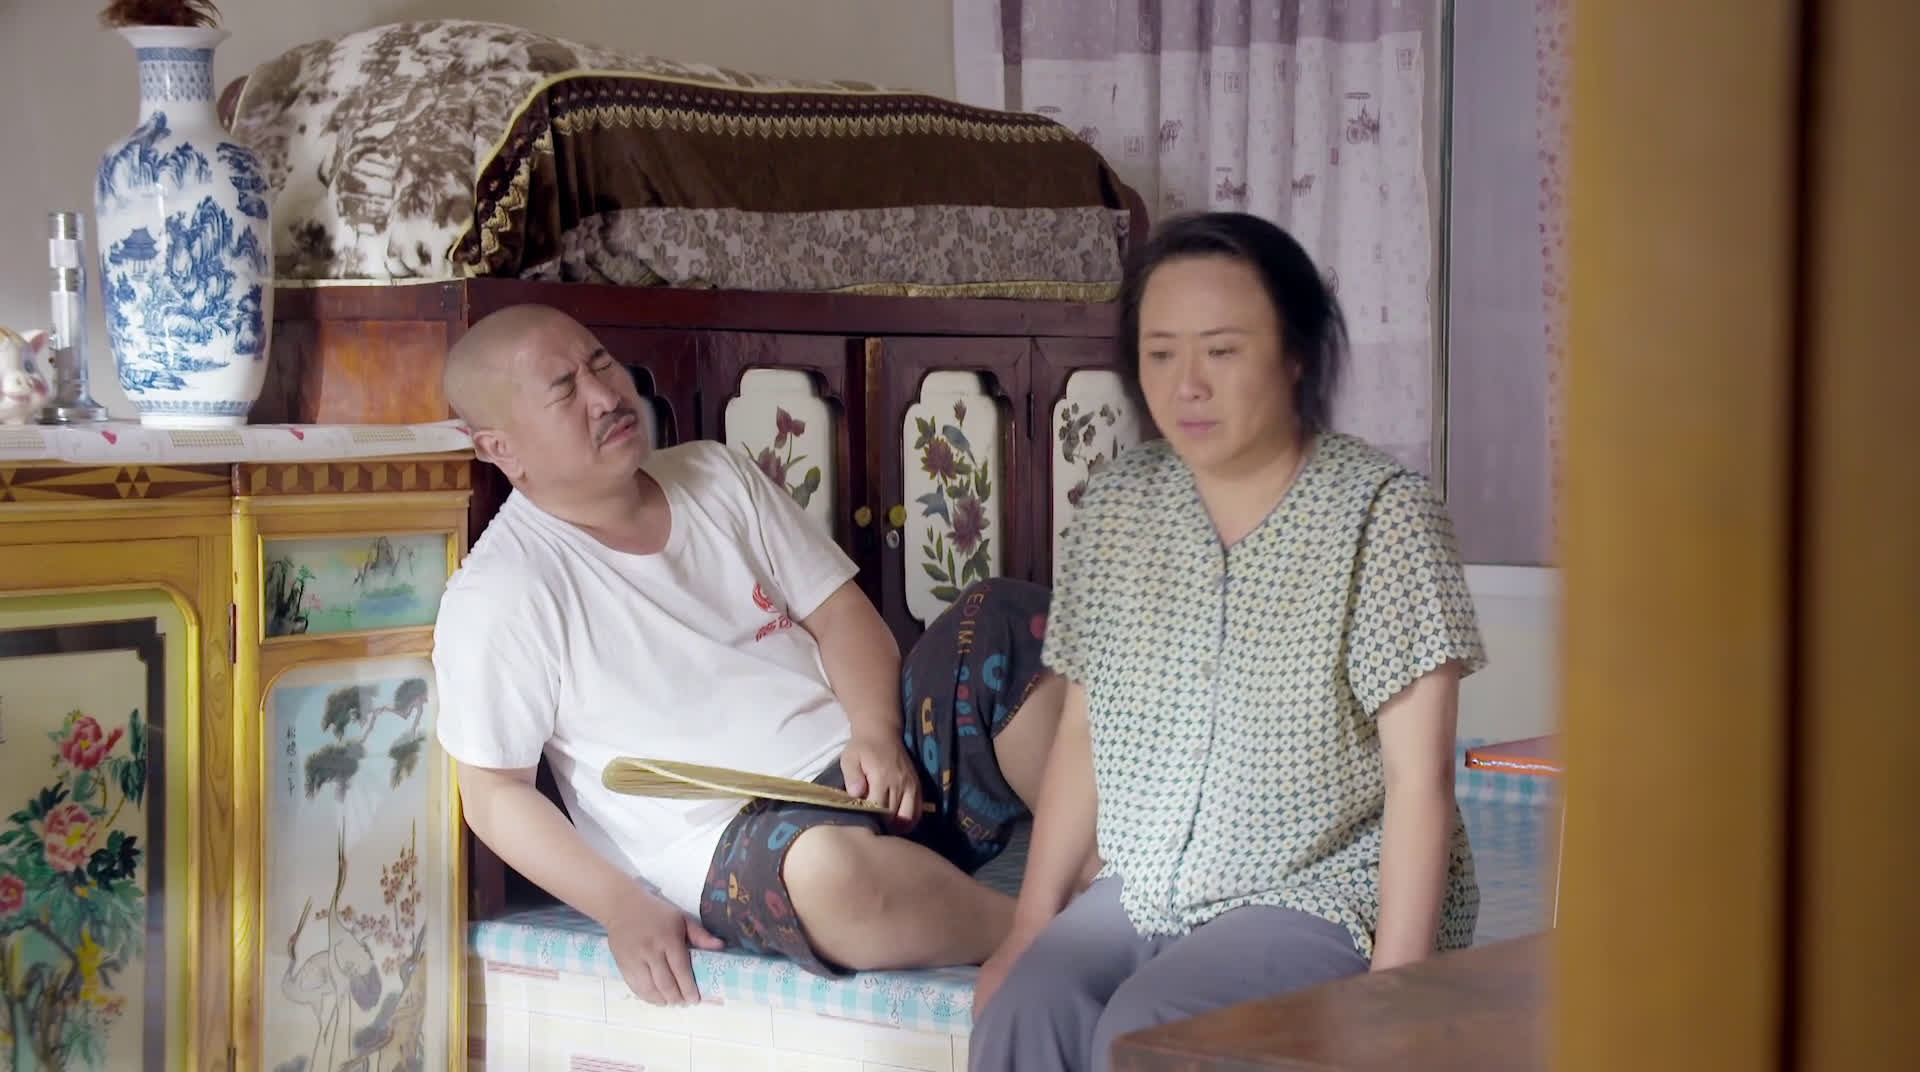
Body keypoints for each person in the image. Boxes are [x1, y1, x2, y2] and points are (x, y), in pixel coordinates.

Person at [429, 304, 1069, 1006]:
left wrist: (876, 733)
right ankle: (1049, 933)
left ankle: (1107, 880)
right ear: (502, 448)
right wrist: (620, 906)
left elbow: (841, 615)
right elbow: (494, 794)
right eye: (564, 389)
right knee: (828, 875)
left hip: (881, 774)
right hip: (748, 840)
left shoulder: (715, 474)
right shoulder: (501, 591)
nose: (605, 396)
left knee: (1003, 620)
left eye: (601, 363)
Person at [968, 212, 1487, 1072]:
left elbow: (1418, 780)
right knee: (1029, 1004)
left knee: (1153, 1025)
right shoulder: (1117, 507)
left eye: (1222, 351)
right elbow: (1084, 734)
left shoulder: (1383, 516)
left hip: (1319, 891)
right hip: (1145, 886)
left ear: (1296, 355)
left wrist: (1395, 999)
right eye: (1160, 353)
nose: (1188, 386)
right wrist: (1028, 927)